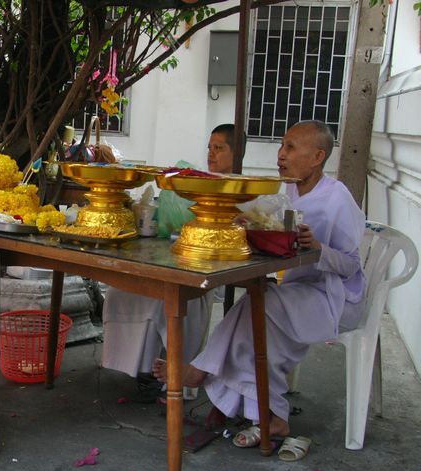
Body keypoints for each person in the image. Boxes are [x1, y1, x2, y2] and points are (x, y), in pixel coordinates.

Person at [152, 120, 366, 446]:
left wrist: (319, 248)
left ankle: (199, 372)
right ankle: (272, 419)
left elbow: (351, 266)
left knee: (257, 306)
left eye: (291, 147)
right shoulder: (290, 189)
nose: (281, 154)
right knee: (252, 316)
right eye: (281, 145)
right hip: (299, 290)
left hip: (335, 297)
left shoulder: (336, 198)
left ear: (317, 156)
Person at [101, 124, 244, 396]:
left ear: (236, 154)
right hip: (176, 257)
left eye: (219, 148)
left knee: (163, 301)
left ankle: (173, 373)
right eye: (210, 147)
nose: (211, 154)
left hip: (202, 273)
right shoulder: (197, 184)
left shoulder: (244, 192)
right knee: (120, 291)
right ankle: (141, 368)